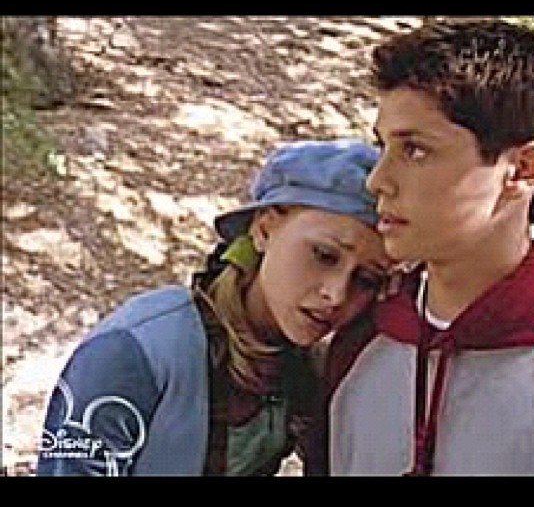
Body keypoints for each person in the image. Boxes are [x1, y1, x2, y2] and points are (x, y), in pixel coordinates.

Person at [305, 19, 534, 476]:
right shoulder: (361, 336)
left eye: (415, 150)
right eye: (383, 146)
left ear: (522, 170)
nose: (377, 180)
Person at [35, 139, 391, 476]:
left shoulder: (304, 371)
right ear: (264, 229)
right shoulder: (136, 352)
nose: (336, 294)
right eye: (324, 256)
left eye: (366, 280)